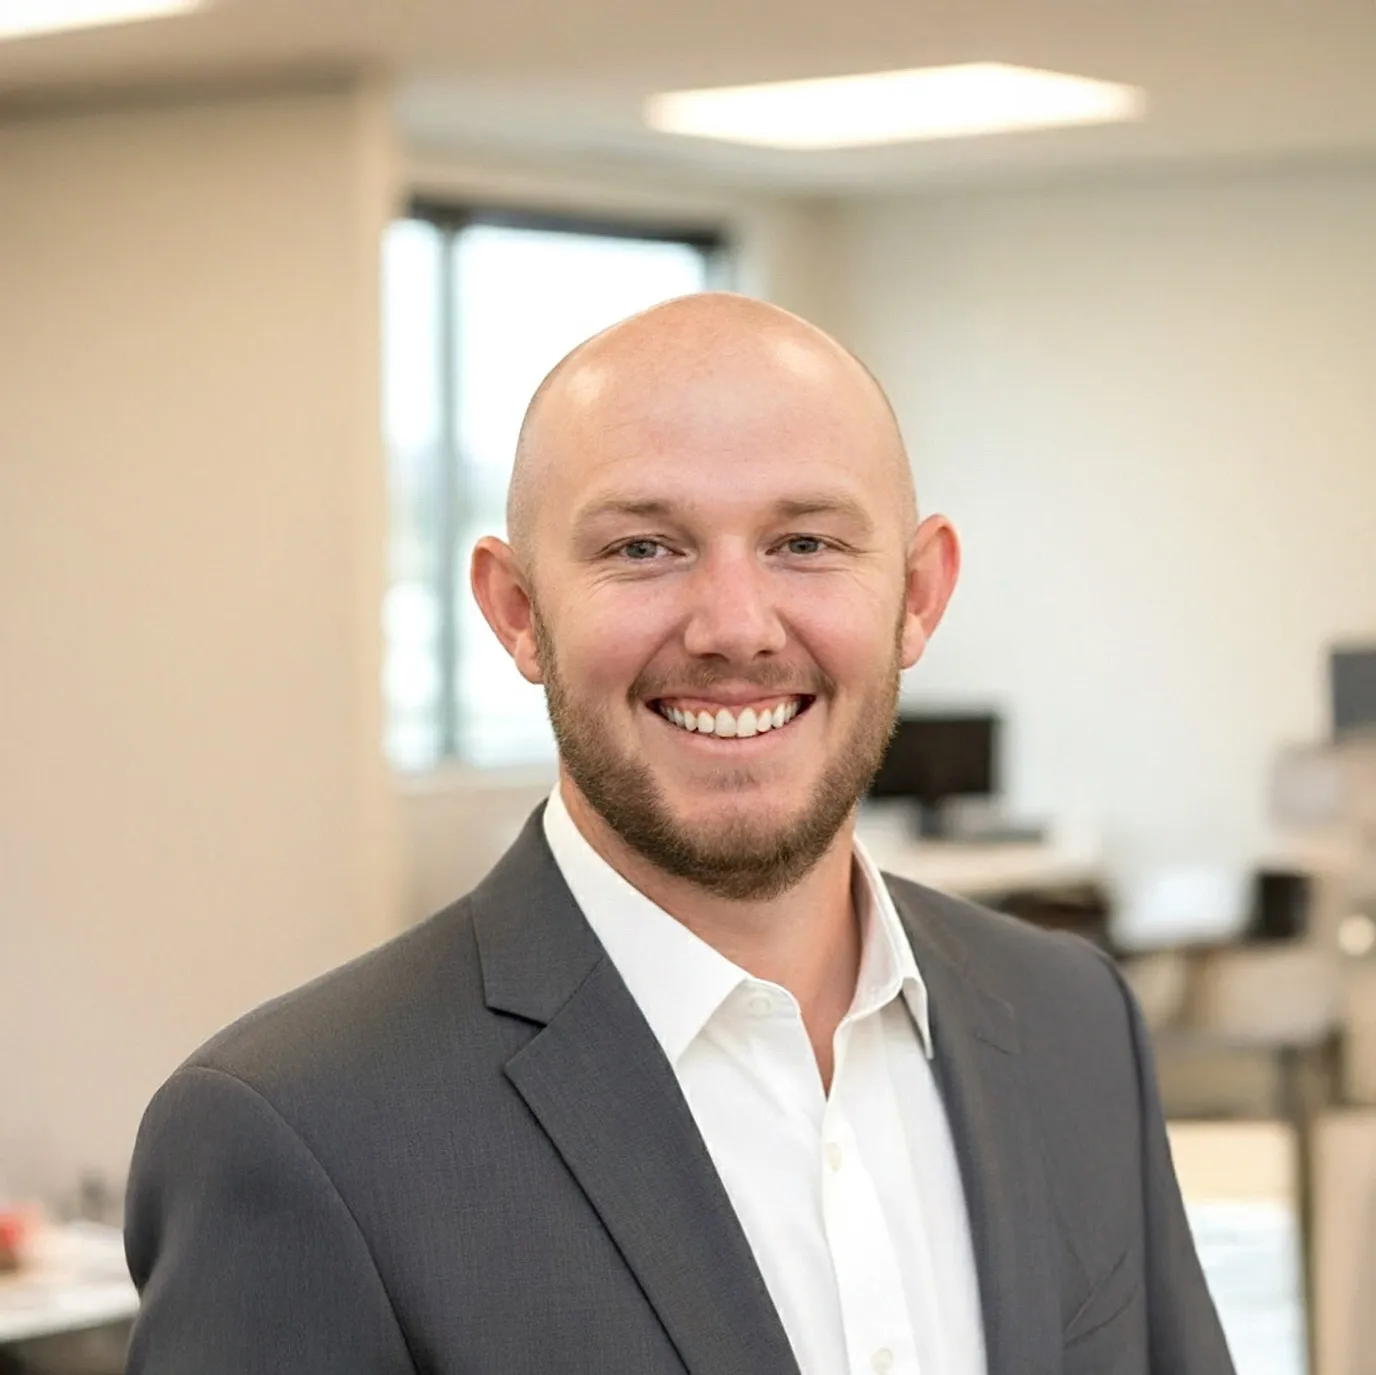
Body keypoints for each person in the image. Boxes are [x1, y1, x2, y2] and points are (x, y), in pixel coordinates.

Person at [124, 293, 1234, 1375]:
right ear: (516, 610)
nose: (735, 628)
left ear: (917, 594)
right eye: (644, 549)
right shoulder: (299, 1129)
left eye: (804, 541)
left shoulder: (1069, 1023)